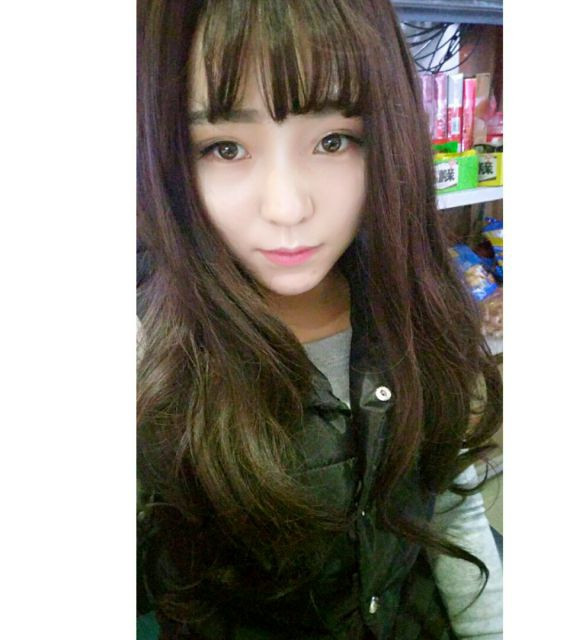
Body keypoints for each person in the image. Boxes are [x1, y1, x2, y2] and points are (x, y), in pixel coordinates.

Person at [136, 1, 503, 638]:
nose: (287, 208)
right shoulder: (148, 356)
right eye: (224, 148)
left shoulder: (414, 307)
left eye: (333, 141)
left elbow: (450, 509)